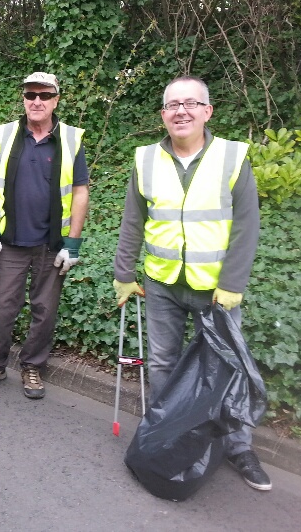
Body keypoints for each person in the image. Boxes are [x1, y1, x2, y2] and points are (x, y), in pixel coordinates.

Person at [112, 75, 270, 491]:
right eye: (172, 105)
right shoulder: (145, 159)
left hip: (215, 288)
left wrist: (233, 281)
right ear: (163, 115)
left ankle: (238, 446)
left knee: (225, 368)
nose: (181, 111)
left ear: (207, 111)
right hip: (162, 283)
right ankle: (167, 435)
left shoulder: (232, 158)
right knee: (164, 363)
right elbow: (133, 221)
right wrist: (124, 274)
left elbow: (246, 225)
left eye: (190, 103)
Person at [0, 72, 89, 399]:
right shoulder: (7, 135)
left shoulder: (70, 139)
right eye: (30, 95)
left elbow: (80, 191)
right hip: (9, 242)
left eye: (44, 95)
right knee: (1, 308)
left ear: (56, 100)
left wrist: (74, 242)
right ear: (23, 98)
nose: (36, 101)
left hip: (50, 245)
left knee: (45, 311)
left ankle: (32, 366)